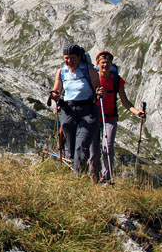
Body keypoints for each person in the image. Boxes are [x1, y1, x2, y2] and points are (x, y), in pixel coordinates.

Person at [50, 44, 104, 179]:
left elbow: (98, 88)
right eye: (66, 58)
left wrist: (99, 92)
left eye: (72, 58)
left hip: (88, 111)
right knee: (71, 146)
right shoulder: (61, 72)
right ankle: (78, 174)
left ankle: (77, 178)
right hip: (68, 111)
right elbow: (57, 89)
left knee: (81, 145)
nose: (69, 61)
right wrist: (55, 95)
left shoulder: (89, 71)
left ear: (79, 57)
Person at [95, 51, 146, 184]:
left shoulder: (116, 80)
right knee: (93, 148)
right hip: (94, 117)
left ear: (111, 64)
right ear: (98, 64)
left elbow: (125, 101)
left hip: (110, 118)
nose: (105, 65)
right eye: (103, 62)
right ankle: (93, 175)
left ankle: (106, 178)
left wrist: (137, 112)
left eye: (108, 63)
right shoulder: (93, 78)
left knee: (108, 146)